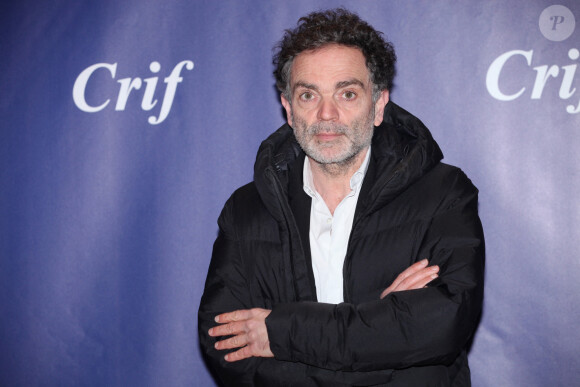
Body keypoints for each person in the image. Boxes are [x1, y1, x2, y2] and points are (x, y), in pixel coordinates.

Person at [198, 8, 484, 387]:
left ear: (379, 105)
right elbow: (226, 347)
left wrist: (279, 332)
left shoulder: (443, 194)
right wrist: (381, 327)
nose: (326, 114)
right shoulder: (246, 210)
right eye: (308, 95)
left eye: (347, 93)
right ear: (288, 107)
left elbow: (441, 330)